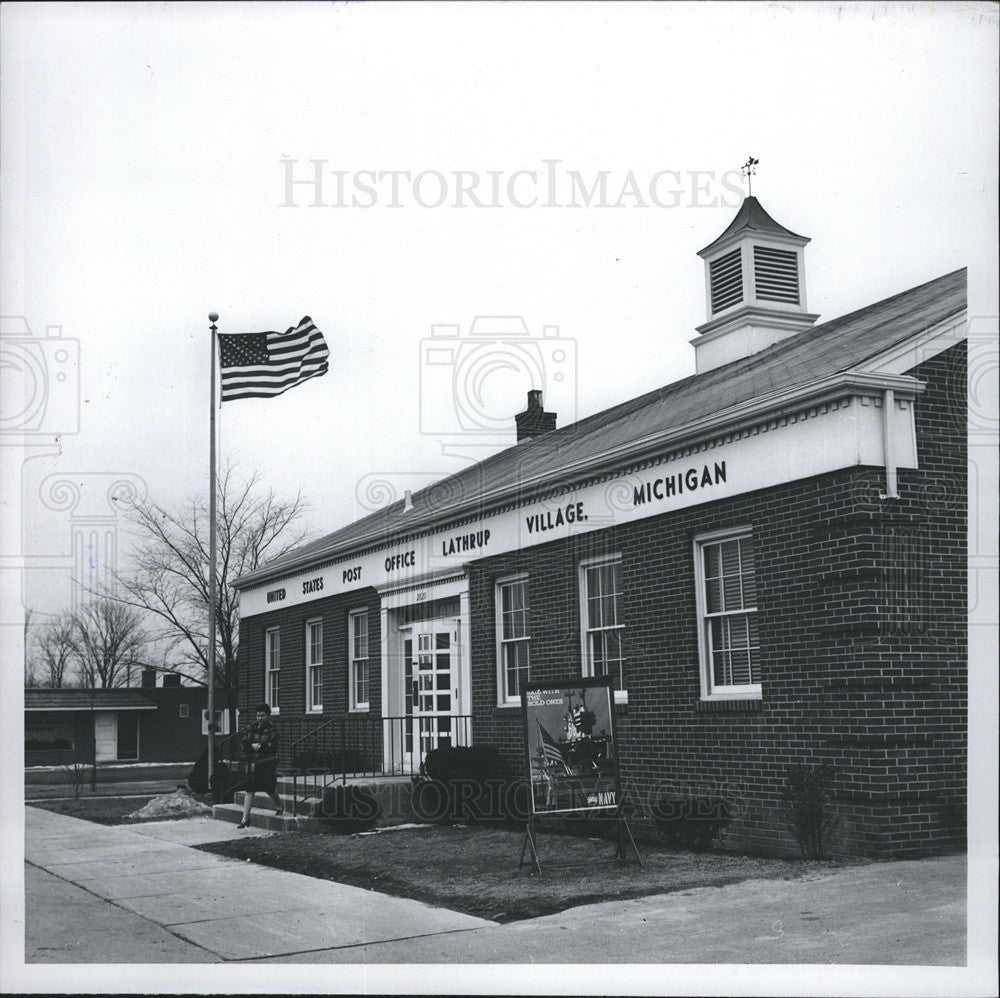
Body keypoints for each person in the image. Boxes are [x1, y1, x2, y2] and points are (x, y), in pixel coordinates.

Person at [237, 703, 283, 827]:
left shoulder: (272, 729)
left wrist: (261, 746)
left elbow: (274, 745)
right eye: (258, 715)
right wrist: (250, 746)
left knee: (269, 788)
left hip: (266, 763)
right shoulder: (252, 727)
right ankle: (245, 818)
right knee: (249, 789)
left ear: (268, 716)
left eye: (263, 715)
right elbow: (245, 742)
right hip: (253, 763)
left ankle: (279, 805)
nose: (260, 718)